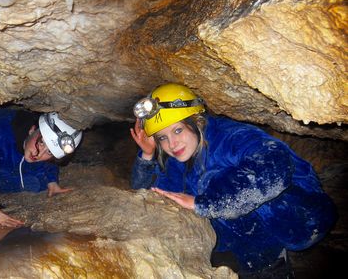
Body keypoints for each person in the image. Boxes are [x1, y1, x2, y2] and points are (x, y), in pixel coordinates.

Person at [130, 83, 337, 277]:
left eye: (177, 130)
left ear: (197, 122)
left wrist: (203, 204)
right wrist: (147, 156)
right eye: (162, 138)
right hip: (260, 221)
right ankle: (250, 259)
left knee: (209, 185)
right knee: (192, 200)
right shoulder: (180, 157)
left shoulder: (230, 135)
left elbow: (274, 167)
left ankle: (269, 266)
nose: (172, 143)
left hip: (303, 215)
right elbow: (154, 196)